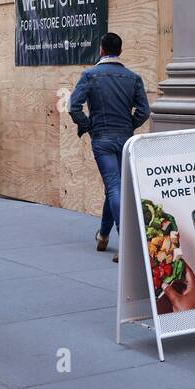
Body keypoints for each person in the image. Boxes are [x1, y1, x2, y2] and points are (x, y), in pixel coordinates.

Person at [67, 32, 151, 263]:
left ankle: (126, 243)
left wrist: (88, 126)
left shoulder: (90, 75)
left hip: (102, 138)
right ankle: (103, 235)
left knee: (114, 186)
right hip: (125, 139)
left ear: (101, 50)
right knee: (115, 186)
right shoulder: (133, 78)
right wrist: (128, 126)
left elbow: (74, 107)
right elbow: (144, 112)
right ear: (120, 51)